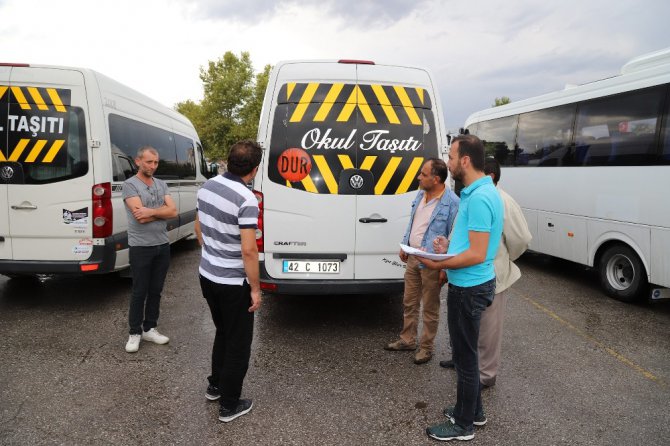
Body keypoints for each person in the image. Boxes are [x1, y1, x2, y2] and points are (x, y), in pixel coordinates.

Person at [418, 135, 503, 441]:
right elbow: (470, 244)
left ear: (465, 160)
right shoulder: (477, 192)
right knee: (468, 354)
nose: (449, 162)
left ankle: (463, 426)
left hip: (469, 287)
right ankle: (474, 412)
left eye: (452, 157)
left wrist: (439, 264)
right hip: (470, 283)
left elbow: (478, 253)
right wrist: (447, 245)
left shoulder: (479, 197)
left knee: (466, 360)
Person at [438, 159, 532, 388]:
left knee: (487, 331)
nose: (451, 165)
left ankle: (485, 375)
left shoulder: (503, 201)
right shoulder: (471, 196)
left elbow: (521, 240)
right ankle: (462, 361)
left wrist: (500, 259)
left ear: (488, 176)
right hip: (464, 273)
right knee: (464, 325)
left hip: (490, 275)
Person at [195, 140, 263, 423]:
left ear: (229, 160)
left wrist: (211, 251)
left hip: (207, 274)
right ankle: (230, 404)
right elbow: (249, 250)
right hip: (233, 283)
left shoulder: (208, 186)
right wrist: (256, 289)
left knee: (223, 331)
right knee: (238, 342)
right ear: (255, 169)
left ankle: (215, 385)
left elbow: (199, 227)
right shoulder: (246, 200)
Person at [384, 158, 459, 365]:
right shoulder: (420, 194)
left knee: (430, 307)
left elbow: (454, 237)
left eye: (423, 174)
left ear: (436, 179)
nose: (419, 177)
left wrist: (444, 267)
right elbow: (413, 221)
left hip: (432, 264)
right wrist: (404, 243)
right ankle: (407, 340)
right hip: (413, 257)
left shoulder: (452, 202)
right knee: (409, 301)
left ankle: (426, 348)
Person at [123, 146, 177, 353]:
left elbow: (173, 211)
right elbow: (139, 216)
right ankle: (134, 332)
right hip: (140, 247)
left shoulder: (161, 184)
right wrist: (161, 212)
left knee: (156, 290)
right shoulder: (130, 185)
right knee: (139, 291)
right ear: (138, 161)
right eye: (148, 162)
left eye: (155, 162)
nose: (153, 166)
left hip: (162, 245)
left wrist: (152, 212)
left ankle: (149, 328)